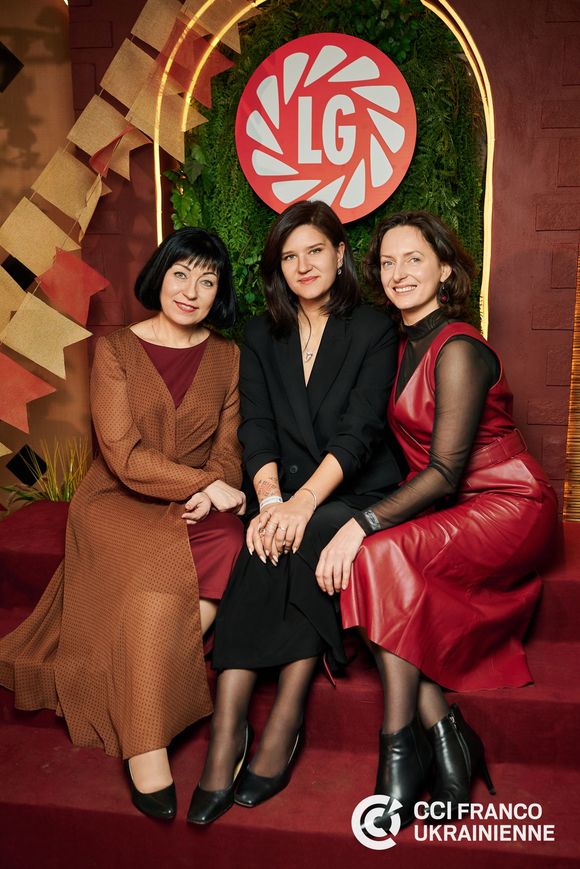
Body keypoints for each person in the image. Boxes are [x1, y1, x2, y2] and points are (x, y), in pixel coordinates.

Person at [315, 211, 558, 828]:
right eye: (387, 263)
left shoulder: (458, 347)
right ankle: (446, 733)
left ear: (445, 269)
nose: (398, 273)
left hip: (509, 502)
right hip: (455, 506)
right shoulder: (398, 345)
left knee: (372, 550)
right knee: (373, 560)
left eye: (414, 259)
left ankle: (399, 752)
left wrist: (360, 523)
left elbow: (446, 471)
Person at [0, 227, 247, 820]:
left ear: (219, 294)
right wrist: (200, 484)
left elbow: (228, 450)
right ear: (160, 276)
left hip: (199, 503)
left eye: (207, 281)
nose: (191, 291)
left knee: (228, 542)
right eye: (181, 274)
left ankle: (147, 679)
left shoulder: (228, 357)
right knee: (156, 586)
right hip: (117, 500)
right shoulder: (115, 350)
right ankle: (145, 744)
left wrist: (212, 489)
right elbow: (123, 454)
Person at [187, 200, 405, 824]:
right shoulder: (261, 334)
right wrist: (272, 501)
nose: (304, 265)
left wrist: (301, 506)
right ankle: (229, 728)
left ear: (340, 254)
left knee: (303, 536)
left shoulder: (374, 328)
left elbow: (361, 432)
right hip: (282, 489)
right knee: (261, 540)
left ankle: (284, 718)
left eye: (315, 251)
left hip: (353, 489)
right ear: (277, 268)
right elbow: (255, 427)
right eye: (290, 256)